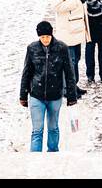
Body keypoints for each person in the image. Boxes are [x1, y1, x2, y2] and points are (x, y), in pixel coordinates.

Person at [19, 20, 77, 153]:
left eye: (47, 36)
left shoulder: (62, 48)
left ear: (52, 35)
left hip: (55, 96)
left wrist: (72, 96)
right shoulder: (32, 49)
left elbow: (69, 73)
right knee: (37, 130)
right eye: (42, 37)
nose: (45, 39)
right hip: (36, 96)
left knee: (53, 128)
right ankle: (35, 158)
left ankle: (52, 155)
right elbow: (26, 73)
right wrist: (23, 95)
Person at [48, 0, 90, 96]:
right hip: (68, 29)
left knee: (75, 59)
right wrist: (76, 1)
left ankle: (74, 86)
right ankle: (68, 90)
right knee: (70, 61)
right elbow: (56, 6)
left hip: (76, 28)